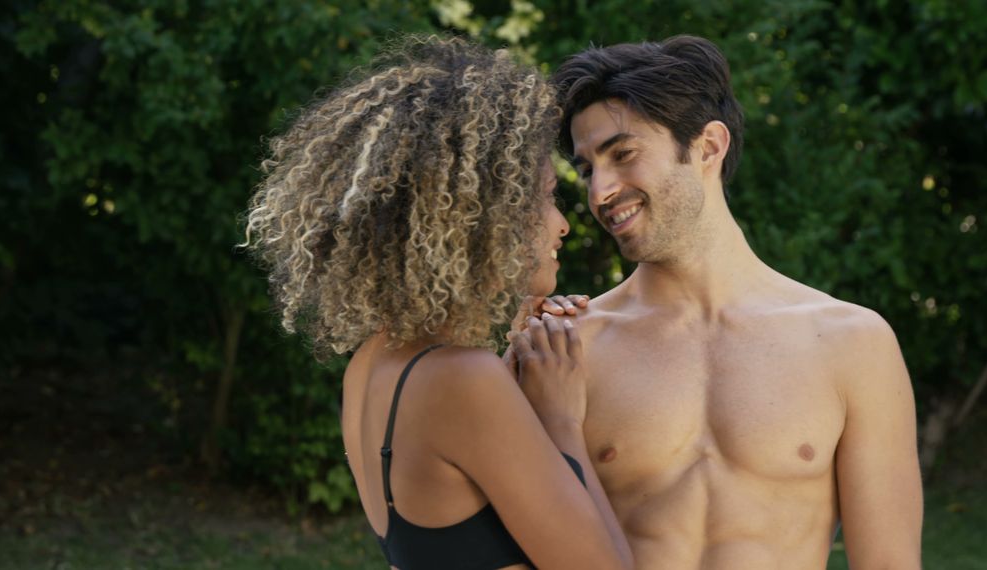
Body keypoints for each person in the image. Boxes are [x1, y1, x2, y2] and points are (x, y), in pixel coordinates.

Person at [243, 36, 632, 569]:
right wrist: (560, 418)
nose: (561, 223)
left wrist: (512, 363)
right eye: (542, 198)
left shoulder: (375, 360)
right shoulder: (461, 379)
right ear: (479, 217)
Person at [547, 35, 924, 568]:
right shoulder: (567, 346)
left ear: (708, 146)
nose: (600, 190)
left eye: (623, 154)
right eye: (587, 169)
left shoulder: (852, 344)